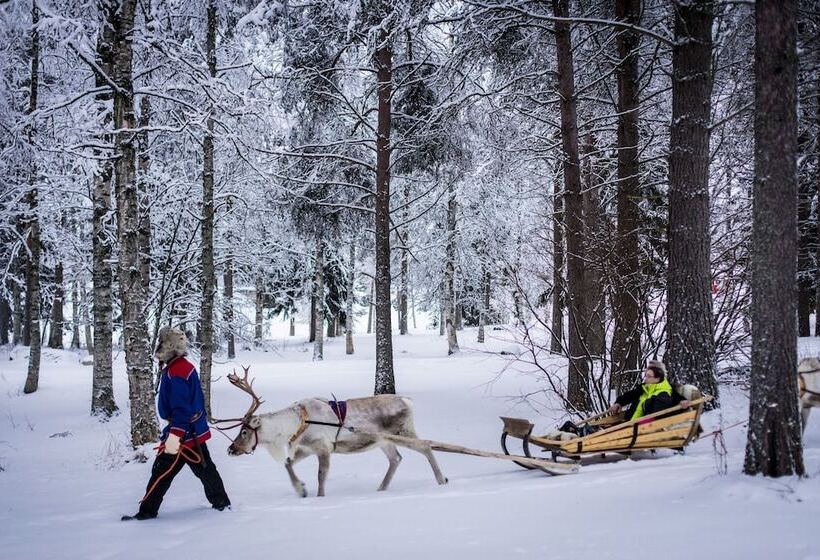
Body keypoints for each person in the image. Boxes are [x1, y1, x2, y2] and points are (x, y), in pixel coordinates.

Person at [122, 327, 230, 521]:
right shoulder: (180, 367)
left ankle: (146, 512)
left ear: (167, 347)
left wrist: (175, 436)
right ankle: (222, 503)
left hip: (183, 435)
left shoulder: (178, 371)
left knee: (161, 473)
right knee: (205, 470)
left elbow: (182, 409)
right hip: (190, 433)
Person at [608, 360, 689, 421]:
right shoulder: (644, 387)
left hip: (644, 427)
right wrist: (618, 403)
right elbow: (630, 395)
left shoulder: (667, 389)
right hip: (630, 421)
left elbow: (677, 398)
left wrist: (682, 401)